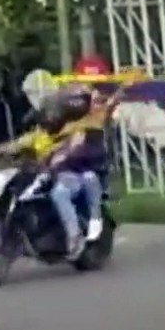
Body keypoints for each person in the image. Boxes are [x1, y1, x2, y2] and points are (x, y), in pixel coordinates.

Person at [40, 88, 109, 259]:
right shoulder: (57, 130)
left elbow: (85, 150)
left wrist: (66, 156)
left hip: (77, 174)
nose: (51, 116)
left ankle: (74, 236)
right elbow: (33, 143)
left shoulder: (86, 126)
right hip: (56, 173)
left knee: (59, 194)